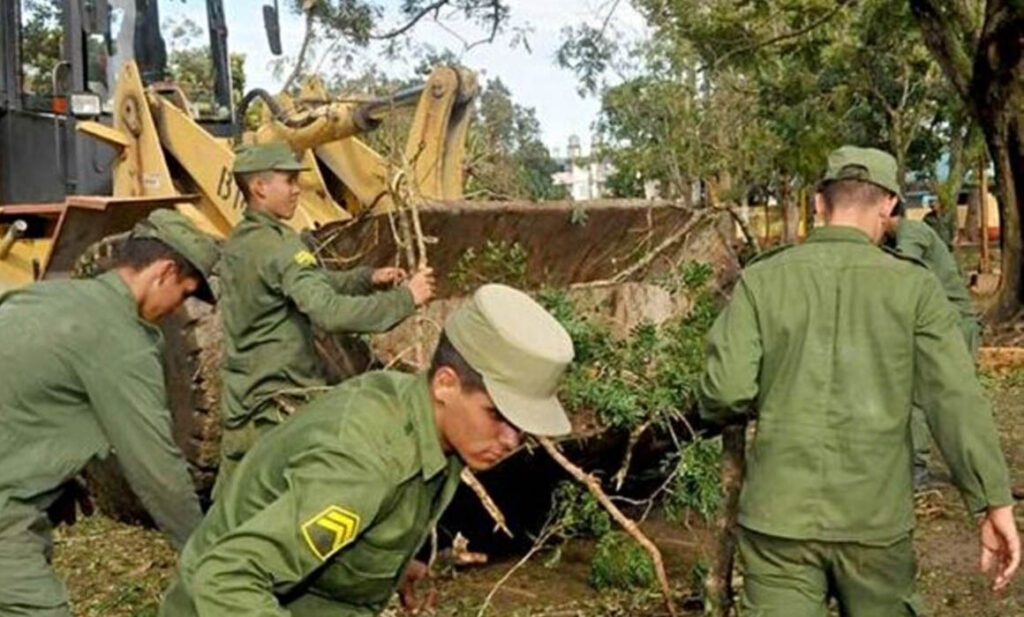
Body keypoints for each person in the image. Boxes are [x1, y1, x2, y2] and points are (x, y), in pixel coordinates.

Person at [701, 145, 1019, 616]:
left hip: (778, 518)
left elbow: (724, 391)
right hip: (875, 523)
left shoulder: (761, 281)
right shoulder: (914, 288)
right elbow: (954, 401)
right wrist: (991, 502)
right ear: (890, 205)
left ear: (818, 204)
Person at [159, 283, 574, 616]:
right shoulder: (365, 461)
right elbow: (226, 577)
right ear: (446, 383)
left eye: (521, 427)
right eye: (497, 415)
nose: (510, 441)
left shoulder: (427, 418)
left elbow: (360, 516)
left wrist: (390, 567)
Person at [0, 209, 219, 617]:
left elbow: (26, 394)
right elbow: (157, 472)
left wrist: (60, 472)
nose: (179, 308)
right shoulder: (123, 342)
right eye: (186, 293)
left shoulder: (45, 294)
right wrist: (211, 559)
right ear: (164, 272)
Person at [215, 142, 436, 492]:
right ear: (259, 187)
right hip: (279, 406)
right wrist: (405, 299)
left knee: (233, 510)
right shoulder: (280, 246)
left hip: (245, 401)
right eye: (288, 181)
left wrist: (366, 279)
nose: (295, 190)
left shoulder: (241, 242)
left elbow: (305, 283)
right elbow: (329, 313)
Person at [884, 206, 981, 488]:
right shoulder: (895, 239)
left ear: (887, 210)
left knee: (932, 398)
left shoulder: (912, 232)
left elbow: (901, 271)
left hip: (953, 325)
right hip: (942, 325)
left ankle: (919, 467)